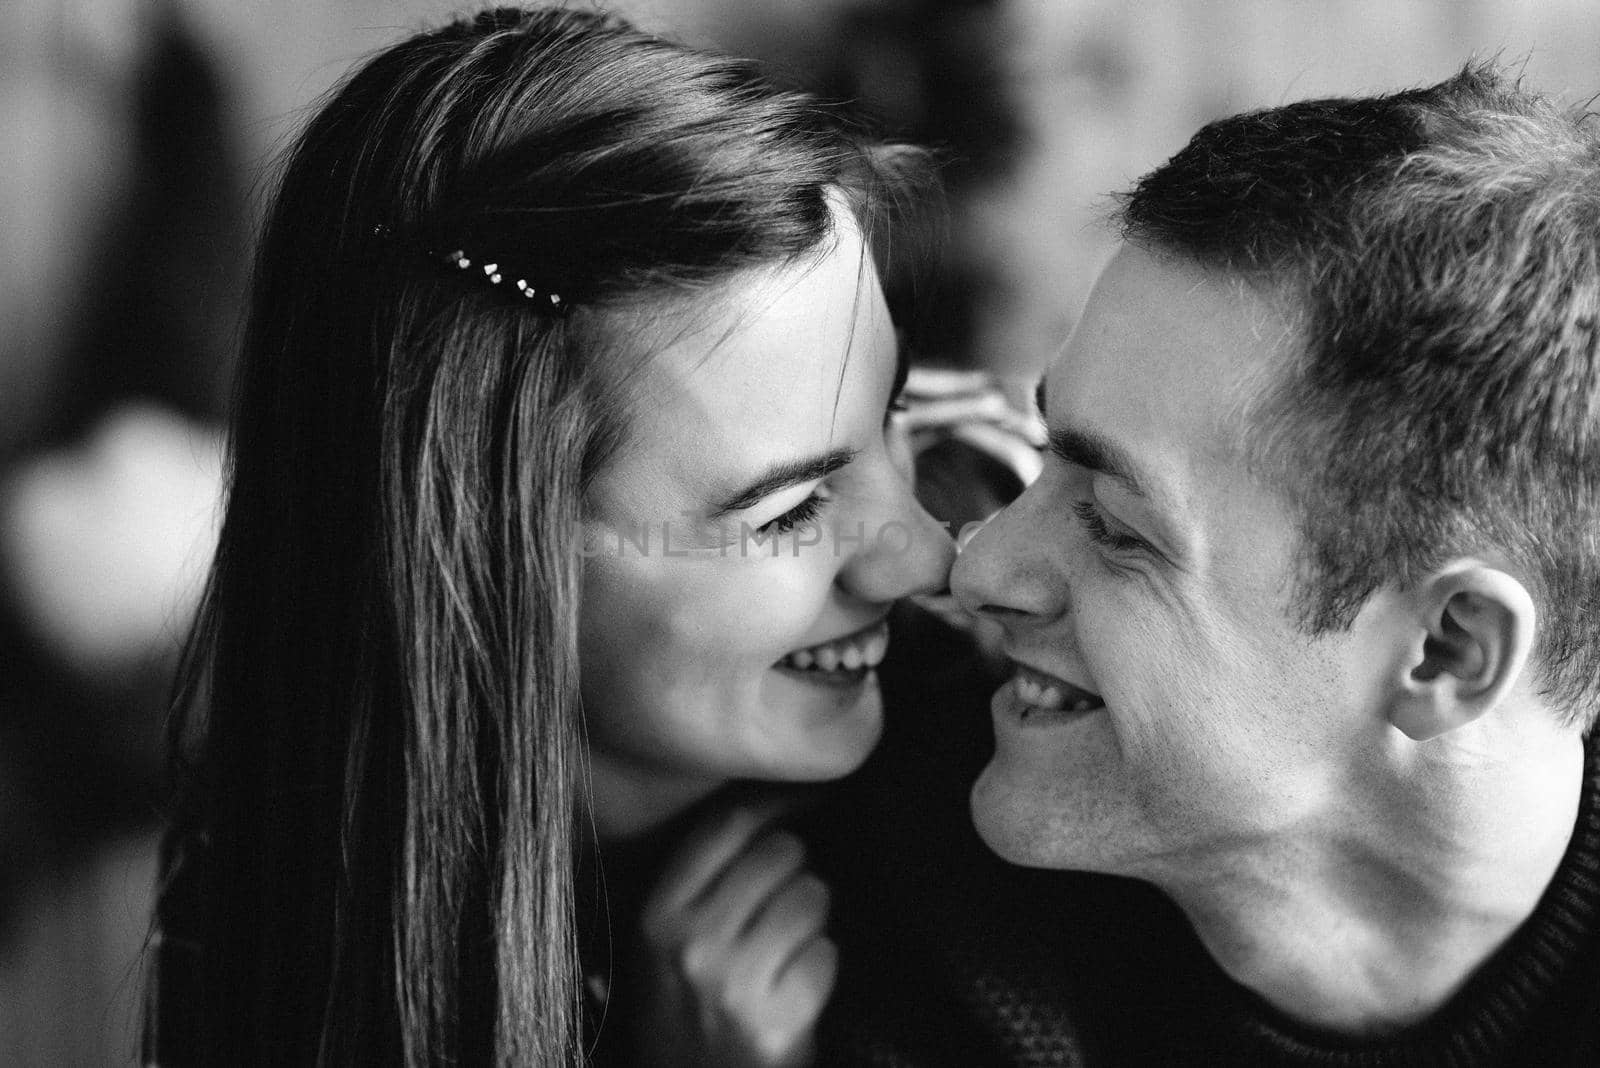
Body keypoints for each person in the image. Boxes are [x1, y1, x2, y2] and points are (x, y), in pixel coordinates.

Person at [142, 7, 957, 1065]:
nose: (930, 552)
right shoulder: (271, 910)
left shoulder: (989, 784)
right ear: (483, 558)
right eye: (789, 510)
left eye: (894, 415)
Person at [914, 63, 1600, 1064]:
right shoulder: (863, 894)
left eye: (1115, 526)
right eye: (1043, 450)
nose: (977, 568)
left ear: (1444, 654)